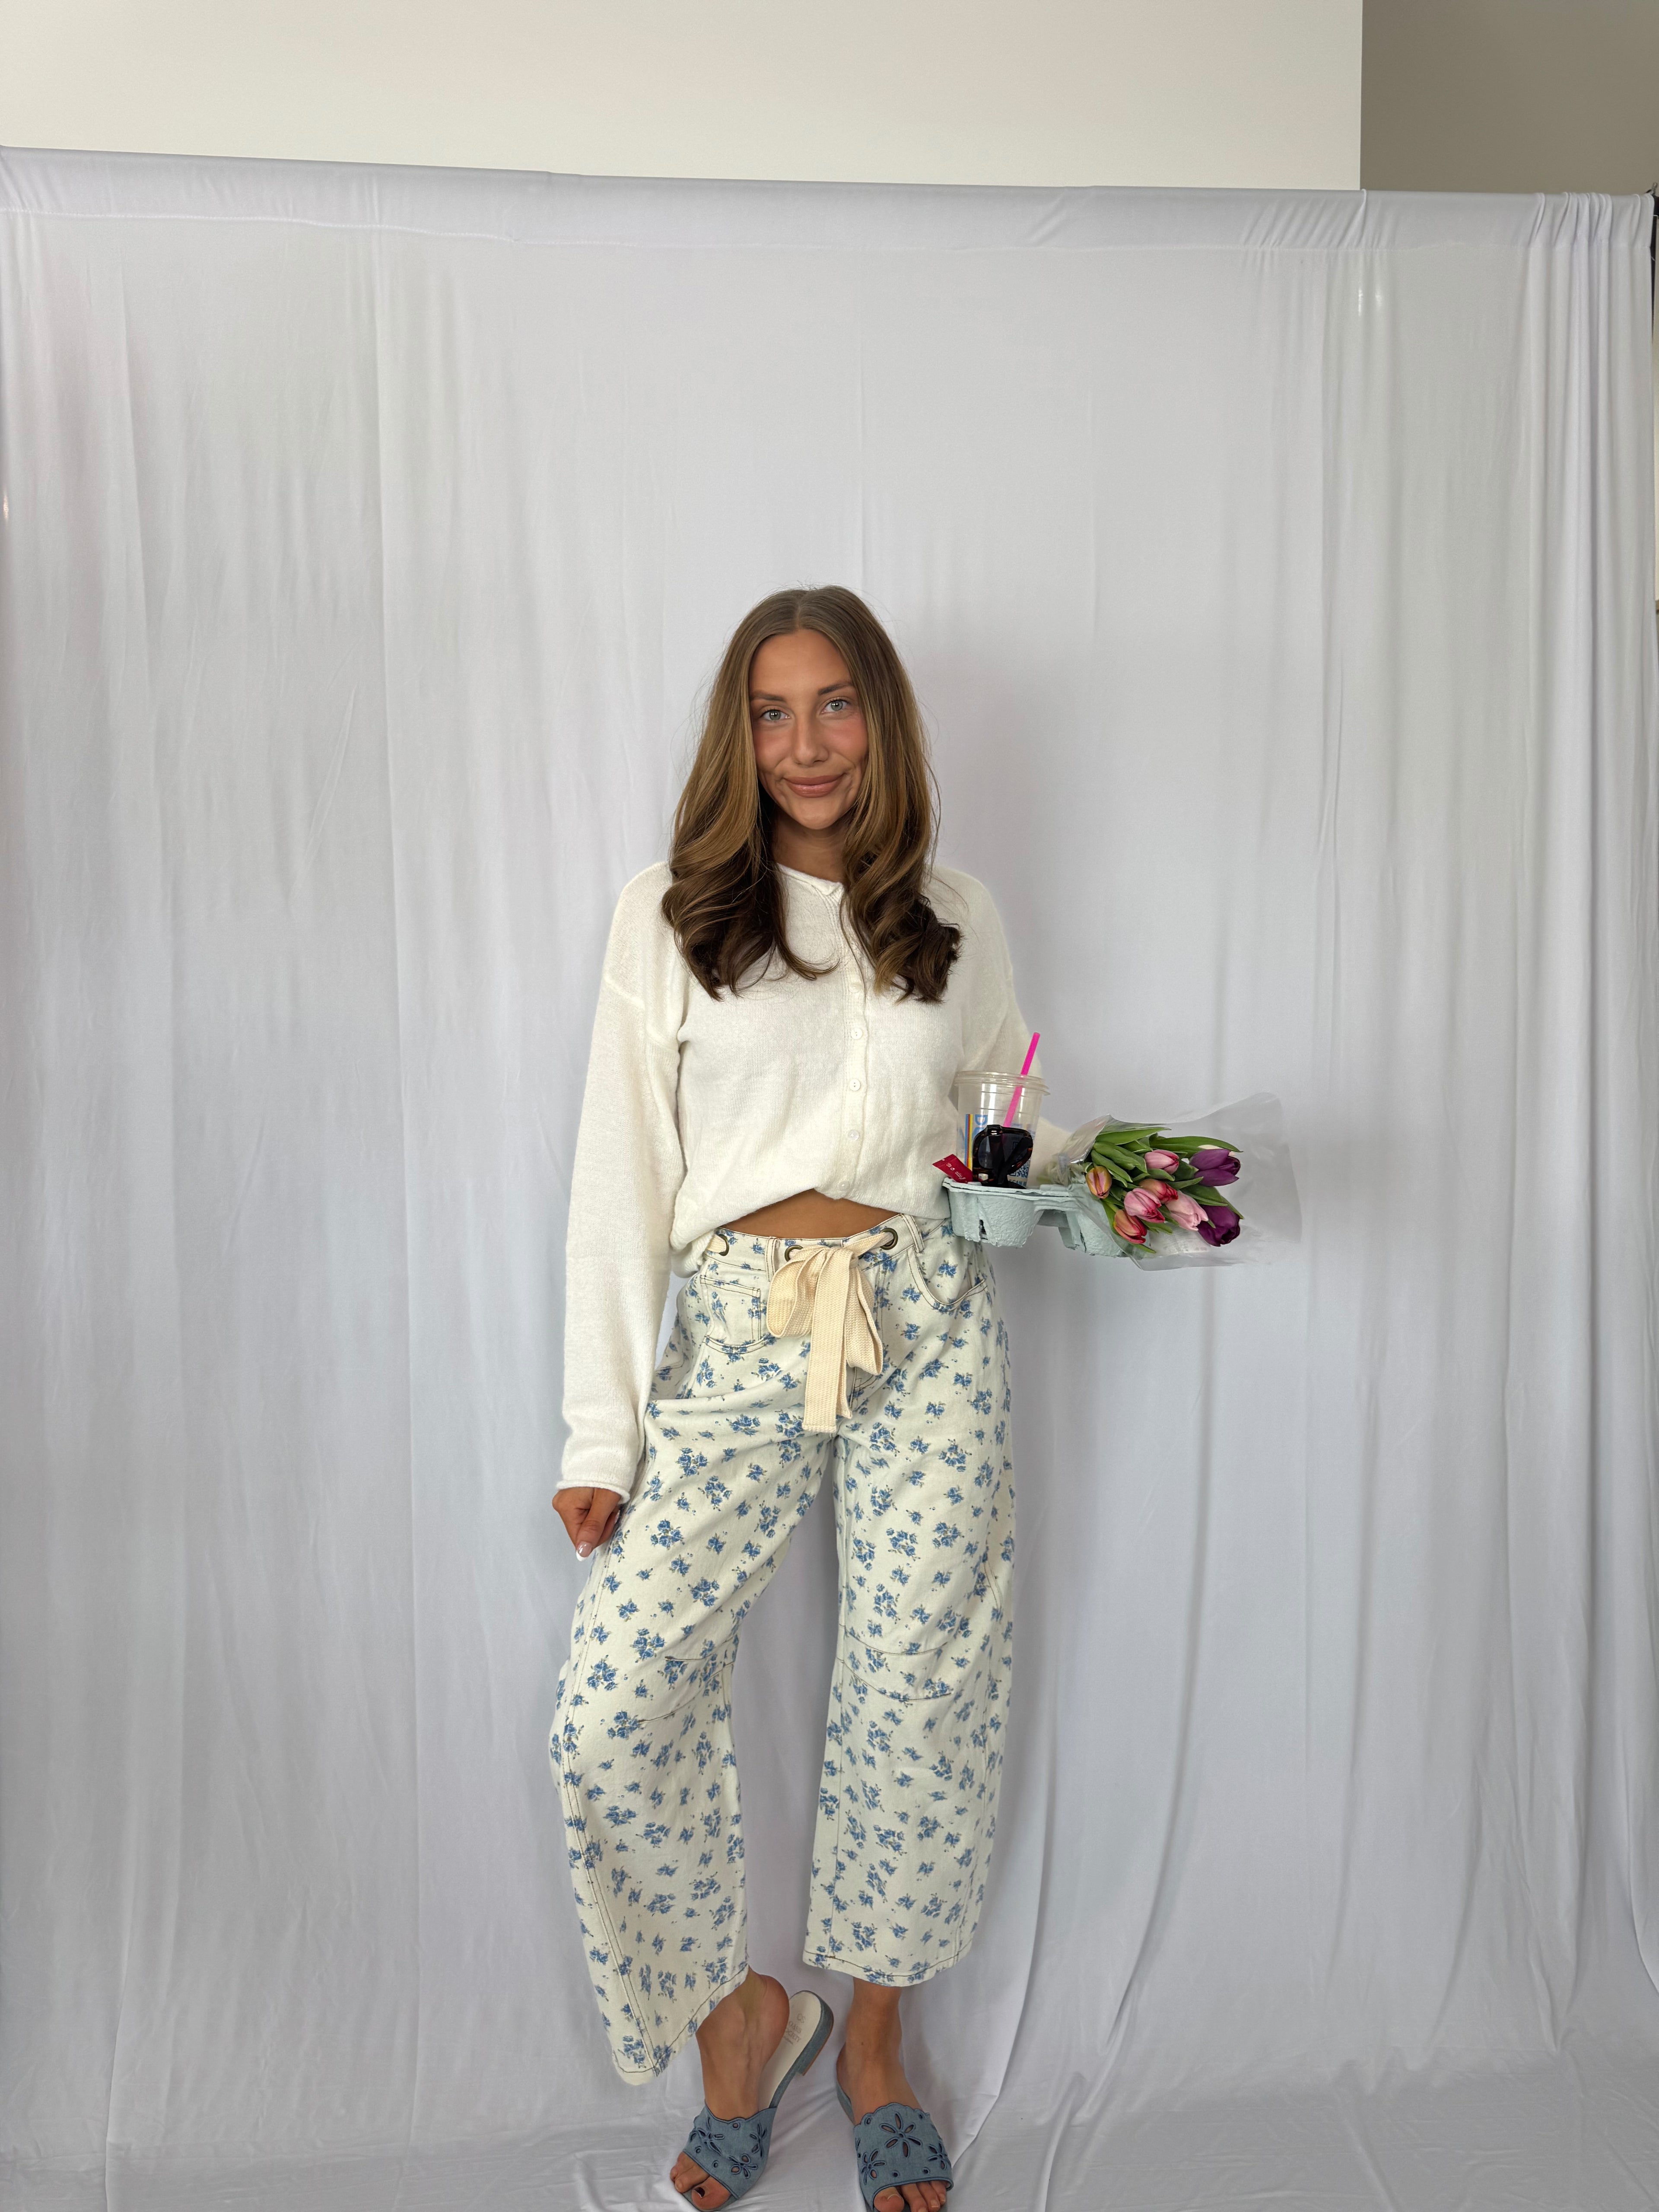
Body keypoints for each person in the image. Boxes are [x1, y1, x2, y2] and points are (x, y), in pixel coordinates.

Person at [549, 586, 1053, 2212]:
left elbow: (1002, 1128)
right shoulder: (676, 912)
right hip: (739, 1334)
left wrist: (1063, 1178)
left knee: (920, 1687)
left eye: (835, 707)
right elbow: (619, 1180)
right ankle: (742, 2029)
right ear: (737, 734)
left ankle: (877, 2049)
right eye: (772, 714)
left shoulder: (954, 915)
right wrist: (599, 1433)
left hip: (923, 1323)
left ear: (882, 719)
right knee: (612, 1717)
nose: (806, 746)